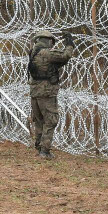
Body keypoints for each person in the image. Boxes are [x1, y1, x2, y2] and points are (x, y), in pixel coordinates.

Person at [28, 30, 74, 159]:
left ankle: (39, 146)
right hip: (47, 92)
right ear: (48, 41)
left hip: (35, 91)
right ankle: (45, 150)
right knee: (50, 120)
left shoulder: (33, 53)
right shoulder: (47, 52)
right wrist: (69, 43)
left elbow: (54, 63)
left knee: (39, 120)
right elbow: (65, 56)